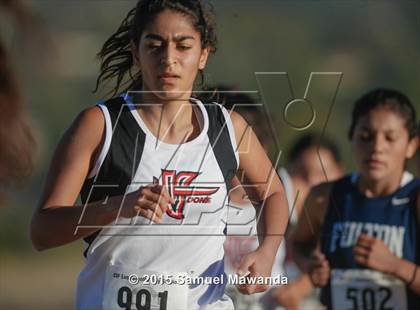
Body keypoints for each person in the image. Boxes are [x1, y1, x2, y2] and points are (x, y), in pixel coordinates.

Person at [30, 1, 288, 309]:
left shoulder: (227, 127)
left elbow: (272, 193)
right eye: (154, 45)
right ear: (136, 52)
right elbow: (42, 231)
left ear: (203, 54)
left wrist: (267, 251)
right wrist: (117, 206)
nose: (168, 59)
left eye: (183, 46)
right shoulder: (100, 125)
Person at [291, 88, 420, 309]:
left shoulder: (414, 199)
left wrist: (396, 266)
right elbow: (298, 244)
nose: (377, 147)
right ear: (351, 137)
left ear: (411, 145)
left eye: (390, 138)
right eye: (365, 137)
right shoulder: (324, 197)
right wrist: (310, 265)